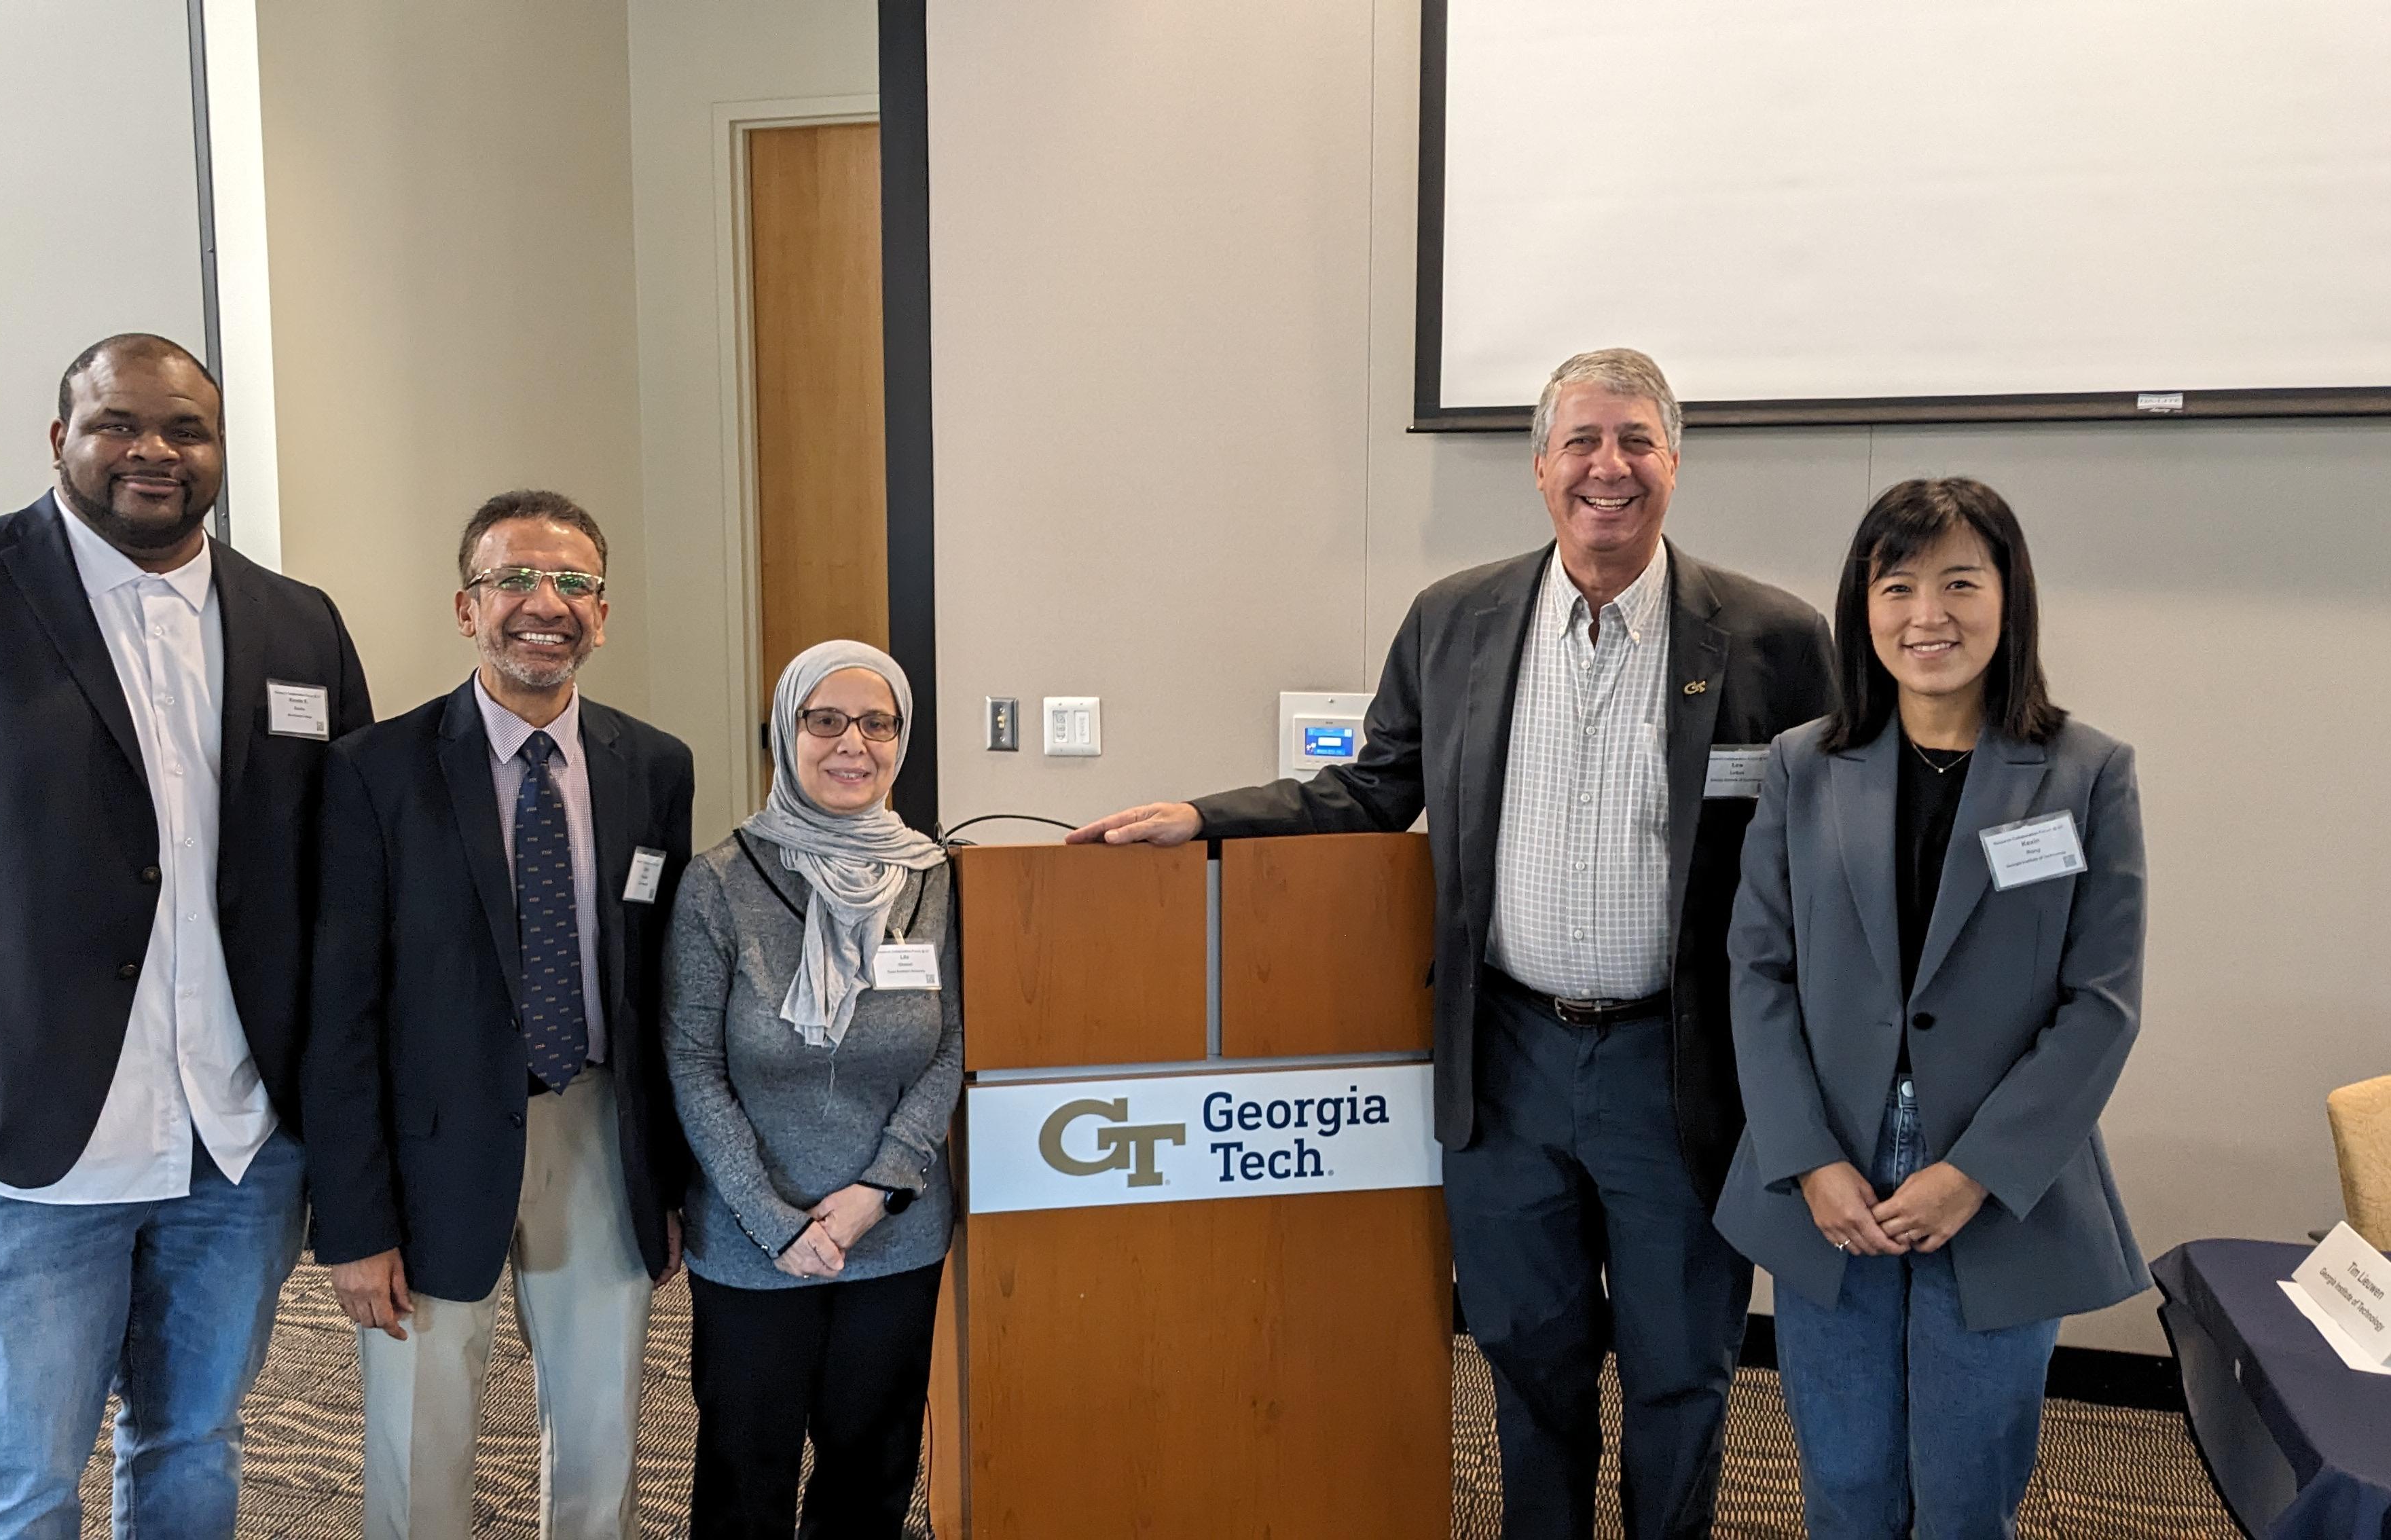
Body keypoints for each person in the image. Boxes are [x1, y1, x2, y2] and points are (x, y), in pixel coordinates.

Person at [1070, 348, 1836, 1539]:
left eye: (1635, 440)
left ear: (1674, 463)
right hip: (1509, 1059)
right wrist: (1205, 820)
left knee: (1682, 1366)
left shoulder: (1777, 642)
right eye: (1581, 441)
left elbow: (1820, 869)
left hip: (1680, 1073)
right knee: (1531, 1360)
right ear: (1540, 468)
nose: (1608, 466)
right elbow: (1370, 792)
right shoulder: (1456, 622)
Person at [0, 333, 371, 1535]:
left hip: (239, 1137)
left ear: (218, 450)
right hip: (26, 1123)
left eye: (185, 430)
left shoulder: (297, 624)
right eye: (118, 426)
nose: (153, 452)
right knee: (18, 1475)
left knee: (195, 1441)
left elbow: (347, 870)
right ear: (62, 441)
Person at [1715, 478, 2147, 1537]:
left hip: (1998, 1181)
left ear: (2011, 597)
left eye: (1961, 582)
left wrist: (1974, 1175)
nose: (1927, 616)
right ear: (1864, 608)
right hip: (1832, 1178)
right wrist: (1807, 1161)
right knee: (1847, 1486)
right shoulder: (1802, 767)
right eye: (1897, 585)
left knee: (1967, 1493)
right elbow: (1756, 973)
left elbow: (2102, 1004)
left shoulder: (2087, 775)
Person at [301, 489, 693, 1538]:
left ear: (602, 615)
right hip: (429, 1144)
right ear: (466, 607)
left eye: (572, 583)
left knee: (606, 1428)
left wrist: (668, 1174)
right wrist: (353, 1222)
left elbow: (657, 983)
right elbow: (338, 1011)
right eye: (513, 578)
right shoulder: (371, 772)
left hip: (599, 1125)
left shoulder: (655, 766)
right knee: (420, 1436)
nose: (543, 603)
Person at [664, 640, 962, 1540]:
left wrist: (877, 1192)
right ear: (784, 736)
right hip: (756, 1240)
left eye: (877, 724)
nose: (852, 745)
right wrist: (778, 1220)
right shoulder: (719, 883)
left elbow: (950, 1047)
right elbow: (692, 1062)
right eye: (823, 720)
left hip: (896, 1229)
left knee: (873, 1467)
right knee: (745, 1472)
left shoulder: (935, 875)